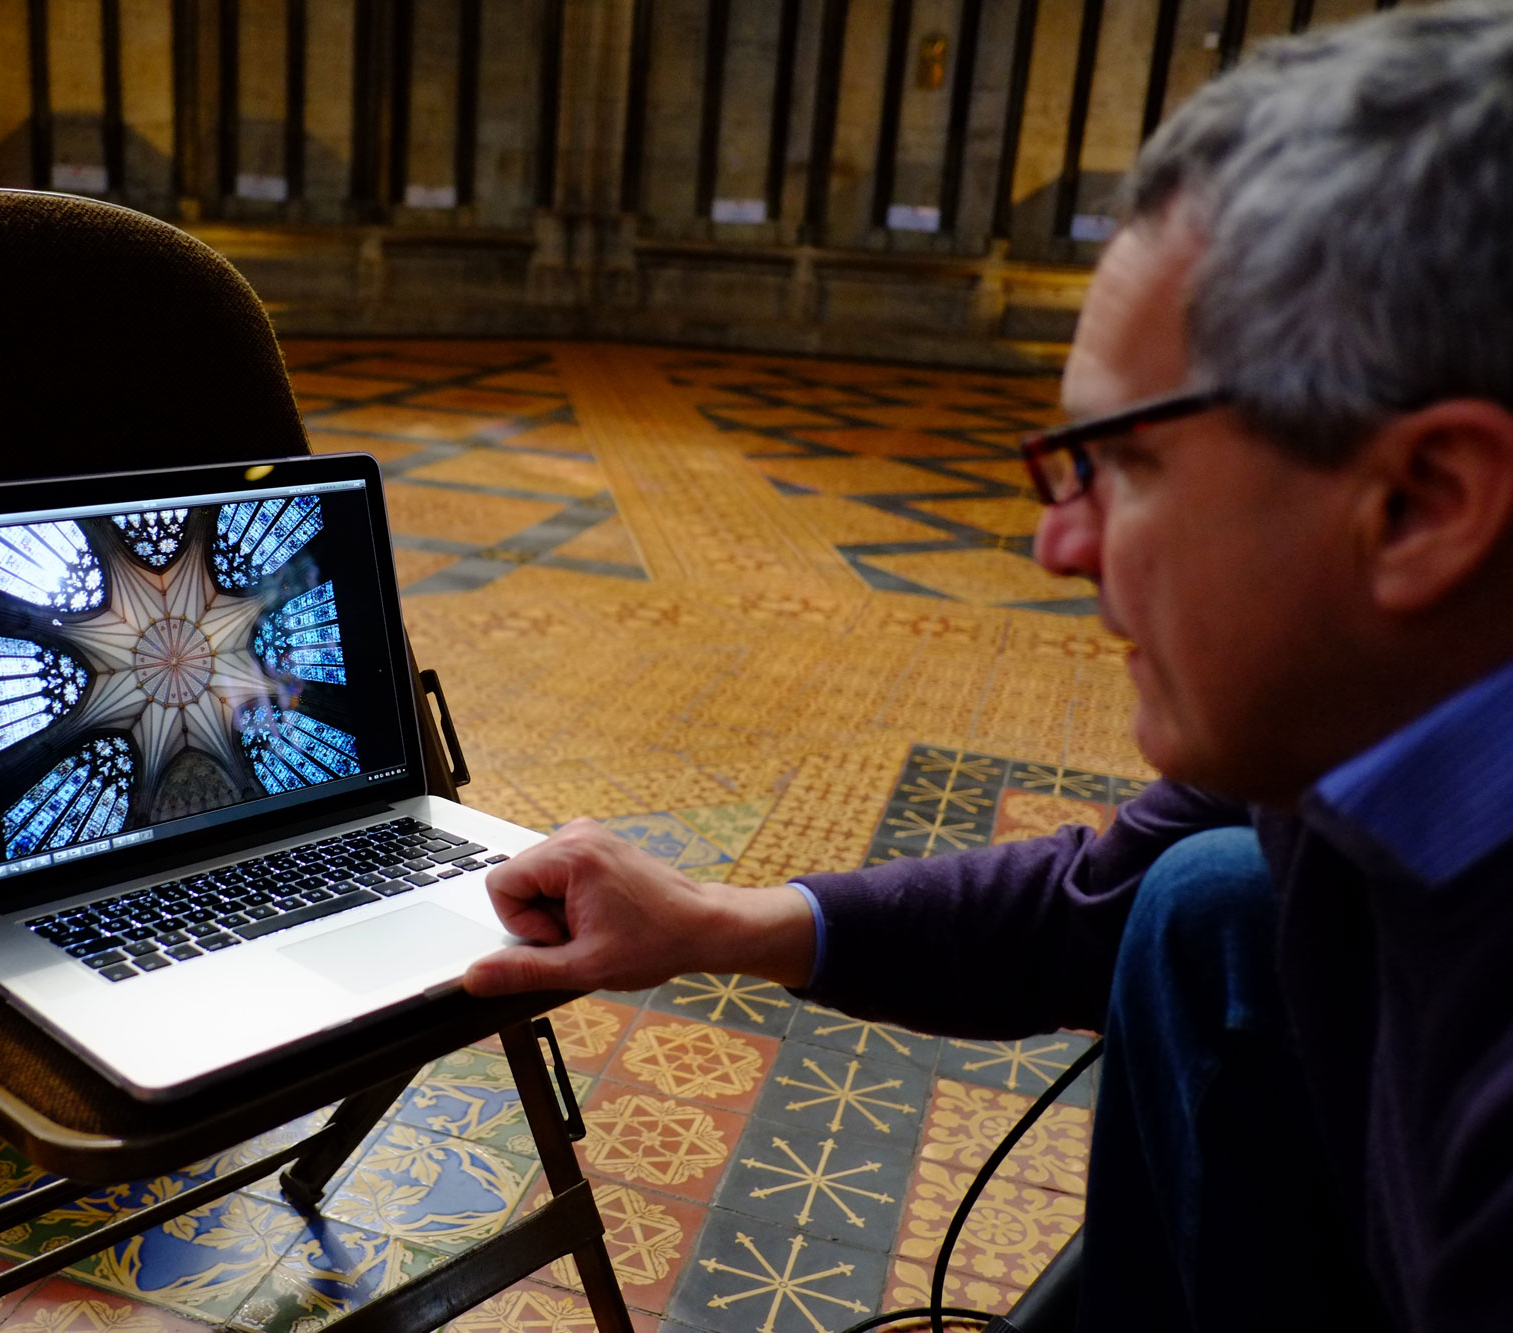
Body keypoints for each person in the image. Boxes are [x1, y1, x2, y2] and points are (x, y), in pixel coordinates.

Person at [460, 6, 1513, 1331]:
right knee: (1204, 900)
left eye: (1125, 462)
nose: (1053, 538)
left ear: (1421, 501)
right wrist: (709, 922)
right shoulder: (1352, 723)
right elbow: (1096, 904)